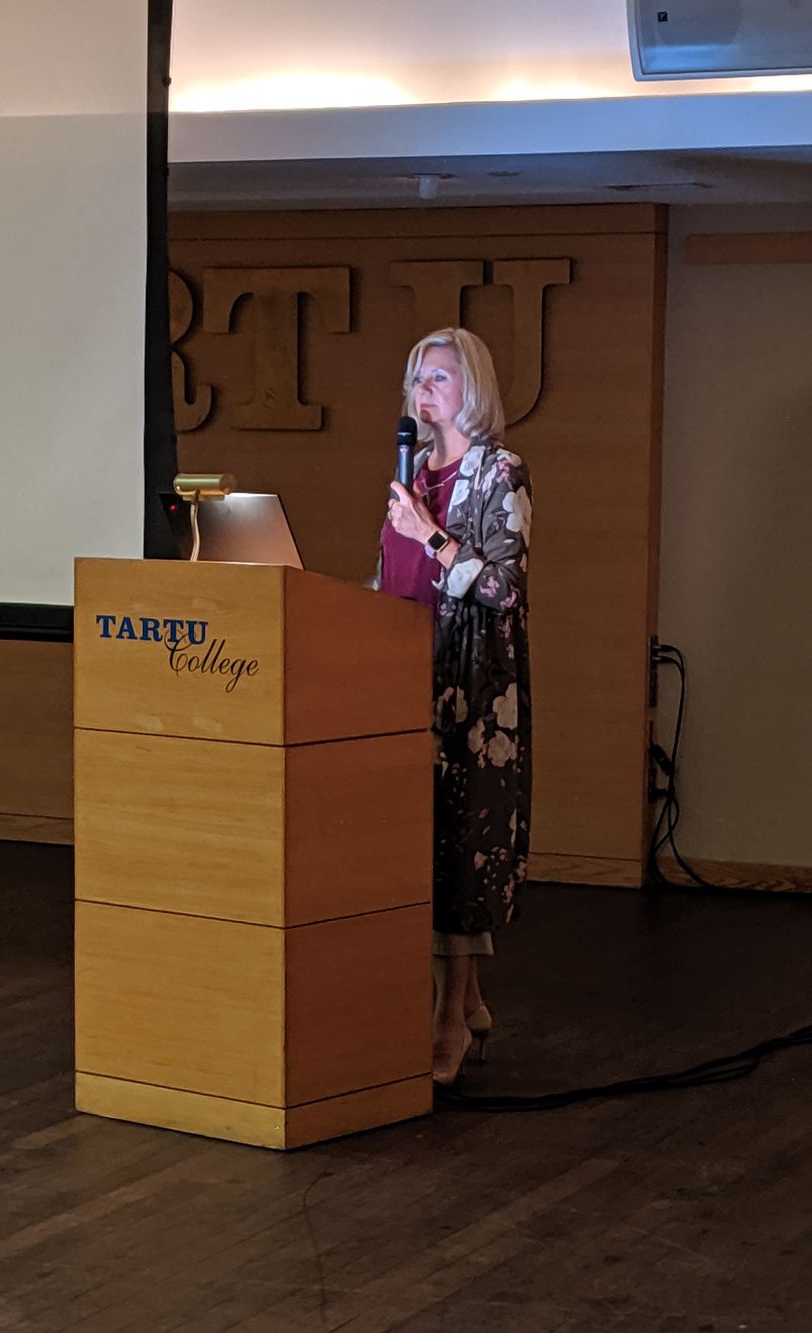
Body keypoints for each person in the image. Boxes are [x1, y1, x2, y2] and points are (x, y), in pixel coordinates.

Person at [376, 327, 532, 1086]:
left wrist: (432, 536)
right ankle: (465, 1002)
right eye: (416, 378)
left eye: (438, 376)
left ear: (473, 386)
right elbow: (392, 578)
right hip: (407, 674)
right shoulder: (412, 475)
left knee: (462, 847)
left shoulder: (500, 470)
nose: (423, 390)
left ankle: (449, 1020)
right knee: (422, 844)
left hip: (472, 688)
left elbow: (504, 588)